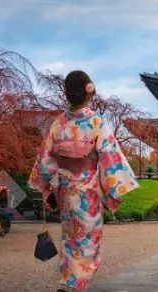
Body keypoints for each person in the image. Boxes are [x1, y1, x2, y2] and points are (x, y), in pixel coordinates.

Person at [29, 70, 139, 292]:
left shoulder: (58, 124)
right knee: (87, 240)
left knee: (70, 238)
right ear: (89, 90)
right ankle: (75, 285)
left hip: (64, 191)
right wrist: (112, 191)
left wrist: (48, 188)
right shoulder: (96, 122)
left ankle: (67, 280)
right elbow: (110, 158)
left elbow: (45, 159)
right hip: (86, 192)